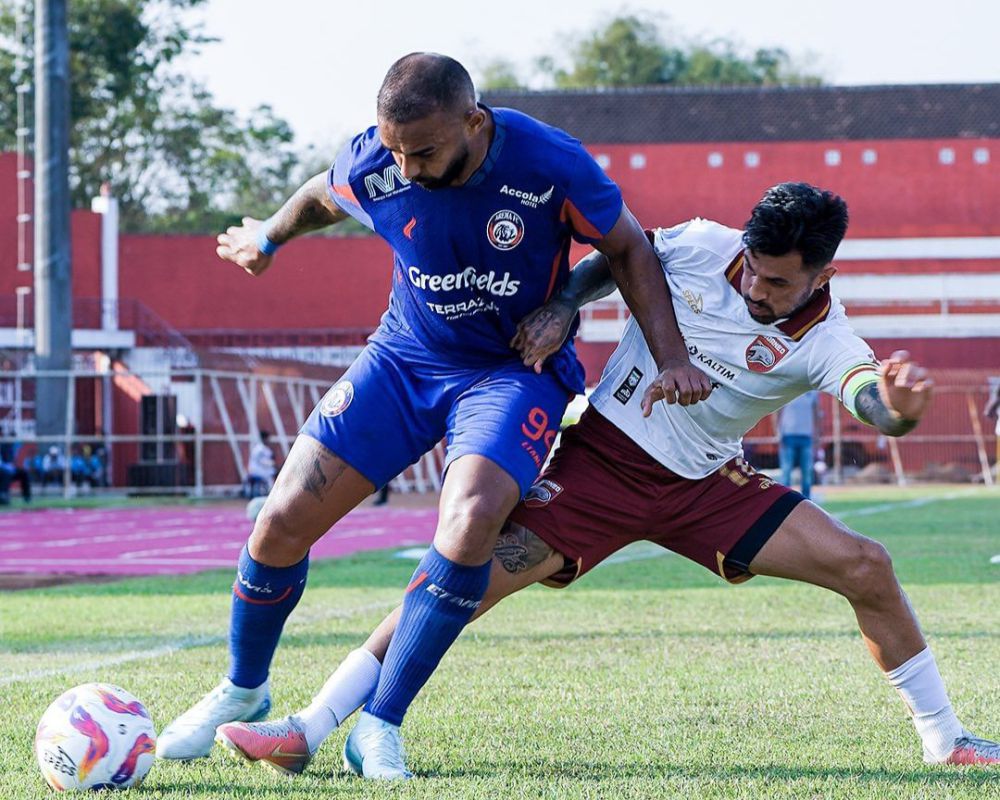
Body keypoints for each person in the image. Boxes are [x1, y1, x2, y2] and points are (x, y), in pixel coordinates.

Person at [215, 183, 999, 777]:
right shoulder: (696, 245)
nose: (757, 291)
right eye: (754, 273)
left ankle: (946, 742)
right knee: (460, 579)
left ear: (823, 272)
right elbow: (616, 258)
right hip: (598, 470)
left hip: (707, 488)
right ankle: (309, 730)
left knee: (868, 566)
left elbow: (873, 404)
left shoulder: (828, 337)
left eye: (779, 285)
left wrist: (896, 409)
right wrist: (561, 303)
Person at [156, 53, 711, 768]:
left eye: (423, 152)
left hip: (512, 370)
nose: (407, 169)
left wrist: (652, 349)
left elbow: (629, 247)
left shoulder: (549, 162)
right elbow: (325, 195)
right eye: (394, 150)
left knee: (473, 518)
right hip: (403, 359)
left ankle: (380, 722)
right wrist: (268, 236)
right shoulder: (378, 160)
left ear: (473, 122)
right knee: (280, 520)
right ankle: (242, 688)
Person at [777, 390, 819, 498]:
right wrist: (778, 433)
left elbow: (816, 413)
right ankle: (784, 498)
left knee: (807, 472)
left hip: (806, 436)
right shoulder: (787, 389)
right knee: (786, 471)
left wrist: (817, 435)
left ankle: (807, 499)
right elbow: (778, 412)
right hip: (788, 435)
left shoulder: (812, 392)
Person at [244, 431, 276, 498]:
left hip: (261, 469)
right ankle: (271, 494)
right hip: (256, 470)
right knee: (270, 475)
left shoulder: (266, 449)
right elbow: (262, 461)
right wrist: (271, 463)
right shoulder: (259, 449)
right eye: (268, 439)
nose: (268, 440)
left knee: (273, 472)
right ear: (264, 438)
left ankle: (268, 492)